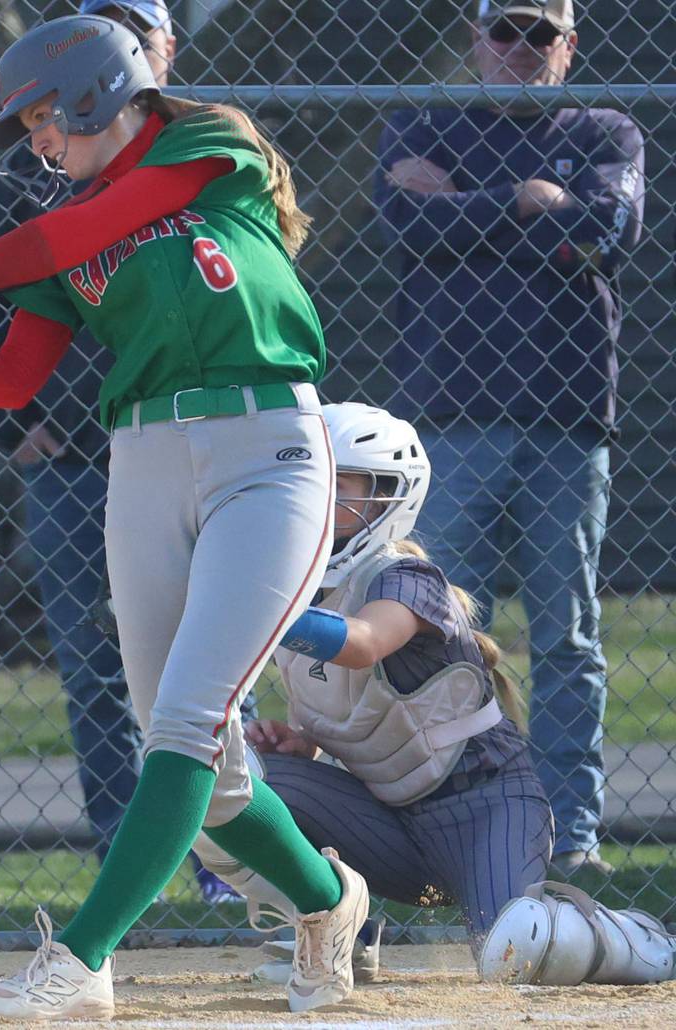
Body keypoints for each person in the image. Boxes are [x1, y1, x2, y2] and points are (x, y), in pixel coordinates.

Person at [0, 14, 369, 1017]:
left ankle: (81, 961)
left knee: (188, 726)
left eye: (39, 122)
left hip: (266, 450)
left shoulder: (207, 142)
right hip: (144, 462)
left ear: (94, 93)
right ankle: (329, 905)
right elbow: (16, 374)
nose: (37, 145)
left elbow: (90, 226)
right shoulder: (66, 218)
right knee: (210, 776)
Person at [197, 402, 675, 987]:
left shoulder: (404, 578)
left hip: (486, 810)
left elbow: (364, 642)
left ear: (386, 498)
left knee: (518, 952)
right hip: (389, 825)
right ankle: (333, 935)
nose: (316, 500)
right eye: (309, 482)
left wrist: (252, 603)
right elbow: (358, 715)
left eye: (336, 484)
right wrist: (300, 745)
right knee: (224, 782)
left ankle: (631, 940)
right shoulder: (299, 592)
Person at [0, 0, 241, 903]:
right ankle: (138, 857)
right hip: (84, 455)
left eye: (132, 29)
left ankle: (232, 856)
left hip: (215, 440)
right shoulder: (30, 173)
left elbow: (72, 242)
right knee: (101, 665)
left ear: (156, 50)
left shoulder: (206, 145)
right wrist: (2, 418)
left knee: (212, 668)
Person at [374, 0, 645, 878]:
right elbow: (406, 228)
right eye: (505, 31)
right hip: (450, 419)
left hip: (566, 423)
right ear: (474, 38)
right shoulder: (420, 119)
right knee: (431, 633)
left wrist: (465, 206)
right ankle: (440, 836)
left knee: (565, 637)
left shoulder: (608, 128)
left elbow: (609, 230)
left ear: (570, 46)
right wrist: (525, 203)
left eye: (541, 34)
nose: (520, 51)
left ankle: (571, 841)